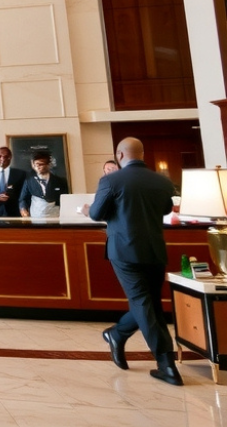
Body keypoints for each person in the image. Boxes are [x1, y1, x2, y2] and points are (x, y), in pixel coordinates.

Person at [88, 137, 181, 386]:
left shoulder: (110, 180)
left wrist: (91, 209)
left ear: (119, 155)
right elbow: (164, 209)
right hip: (154, 250)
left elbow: (97, 213)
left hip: (124, 251)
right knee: (150, 304)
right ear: (142, 153)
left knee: (143, 304)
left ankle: (166, 364)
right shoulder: (161, 180)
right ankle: (118, 335)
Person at [19, 151, 69, 218]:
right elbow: (23, 199)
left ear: (48, 165)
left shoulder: (59, 181)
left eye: (41, 164)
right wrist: (23, 209)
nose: (38, 167)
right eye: (36, 164)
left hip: (54, 216)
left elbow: (65, 200)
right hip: (36, 216)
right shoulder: (29, 181)